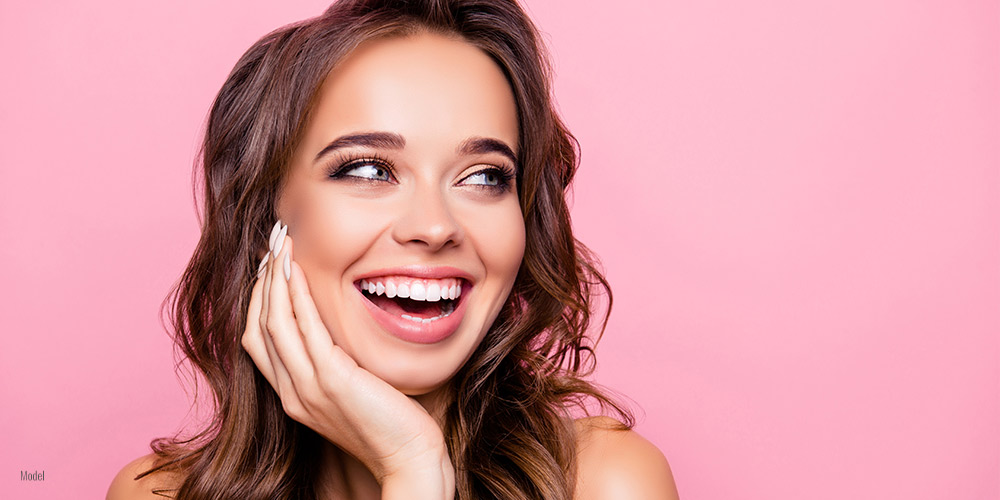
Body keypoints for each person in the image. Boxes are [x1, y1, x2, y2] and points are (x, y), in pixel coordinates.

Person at [107, 0, 679, 498]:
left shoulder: (606, 484)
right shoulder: (155, 495)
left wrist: (410, 466)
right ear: (269, 215)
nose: (434, 227)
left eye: (484, 177)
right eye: (368, 169)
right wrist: (411, 472)